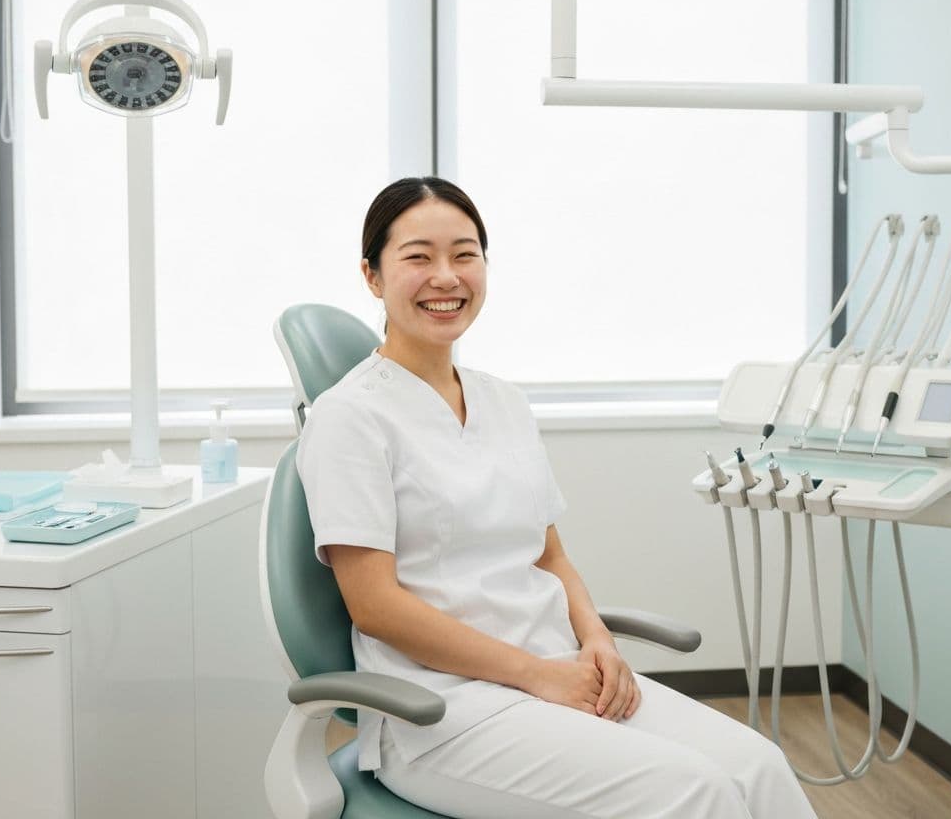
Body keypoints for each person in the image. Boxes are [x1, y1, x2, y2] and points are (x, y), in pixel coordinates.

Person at [297, 176, 817, 819]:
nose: (446, 276)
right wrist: (536, 675)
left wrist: (597, 641)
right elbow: (375, 606)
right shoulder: (348, 416)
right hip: (444, 712)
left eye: (465, 254)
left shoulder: (503, 402)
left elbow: (549, 557)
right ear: (373, 276)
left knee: (758, 768)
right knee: (695, 791)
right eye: (417, 257)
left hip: (563, 673)